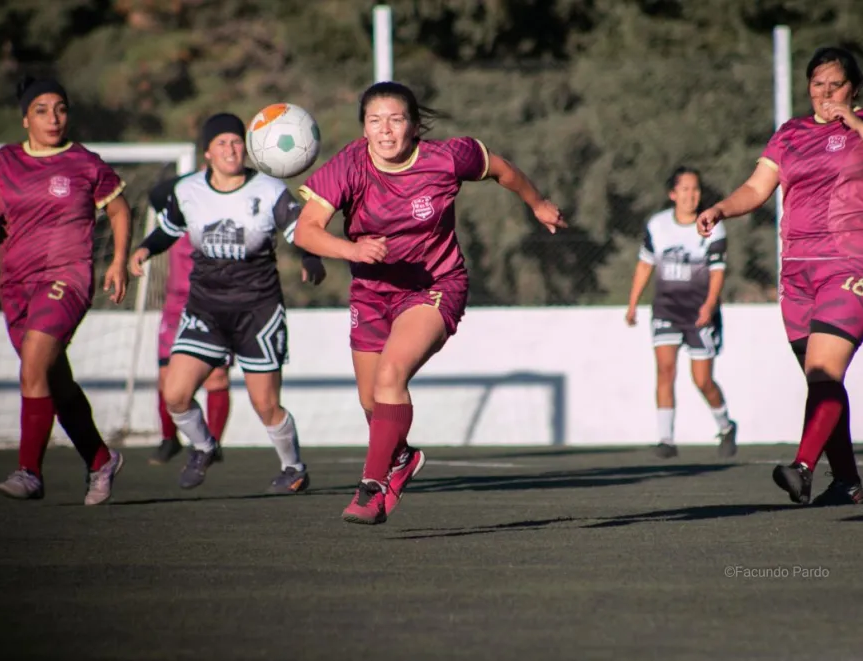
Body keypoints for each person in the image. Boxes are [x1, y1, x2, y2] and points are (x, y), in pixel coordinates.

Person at [294, 81, 566, 525]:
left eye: (396, 119)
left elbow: (502, 169)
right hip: (371, 291)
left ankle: (371, 486)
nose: (385, 131)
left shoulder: (447, 157)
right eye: (374, 121)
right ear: (363, 128)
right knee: (372, 401)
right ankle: (402, 460)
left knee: (391, 376)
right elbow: (306, 230)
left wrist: (537, 203)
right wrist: (353, 251)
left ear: (415, 125)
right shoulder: (349, 164)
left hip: (435, 286)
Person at [697, 47, 863, 505]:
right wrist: (719, 209)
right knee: (822, 381)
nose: (826, 93)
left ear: (855, 87)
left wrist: (856, 124)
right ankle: (847, 482)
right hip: (797, 273)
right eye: (818, 84)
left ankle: (802, 467)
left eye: (836, 84)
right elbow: (757, 189)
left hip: (854, 263)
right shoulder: (790, 133)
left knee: (824, 369)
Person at [128, 113, 326, 492]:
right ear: (207, 152)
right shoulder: (187, 190)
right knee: (176, 394)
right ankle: (203, 447)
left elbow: (300, 230)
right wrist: (143, 250)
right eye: (222, 143)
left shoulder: (269, 188)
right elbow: (168, 229)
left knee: (266, 405)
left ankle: (293, 468)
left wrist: (311, 258)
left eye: (237, 142)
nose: (231, 149)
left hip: (258, 312)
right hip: (206, 309)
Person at [0, 76, 131, 505]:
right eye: (41, 110)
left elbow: (118, 208)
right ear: (25, 119)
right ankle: (100, 460)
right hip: (16, 286)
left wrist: (117, 261)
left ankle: (29, 472)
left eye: (60, 108)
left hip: (66, 277)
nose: (53, 118)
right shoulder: (1, 162)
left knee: (32, 368)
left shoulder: (85, 163)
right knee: (53, 380)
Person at [625, 166, 738, 459]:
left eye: (696, 189)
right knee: (665, 370)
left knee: (702, 380)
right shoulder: (658, 225)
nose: (691, 195)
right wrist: (633, 303)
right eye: (685, 189)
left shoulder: (711, 224)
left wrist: (709, 305)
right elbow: (645, 264)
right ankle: (666, 439)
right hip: (666, 309)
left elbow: (717, 272)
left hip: (699, 313)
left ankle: (725, 426)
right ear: (673, 194)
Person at [147, 175, 232, 466]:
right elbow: (157, 191)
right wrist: (199, 177)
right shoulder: (177, 213)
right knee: (165, 377)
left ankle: (213, 445)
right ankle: (169, 440)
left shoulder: (222, 214)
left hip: (212, 305)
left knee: (217, 376)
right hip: (176, 305)